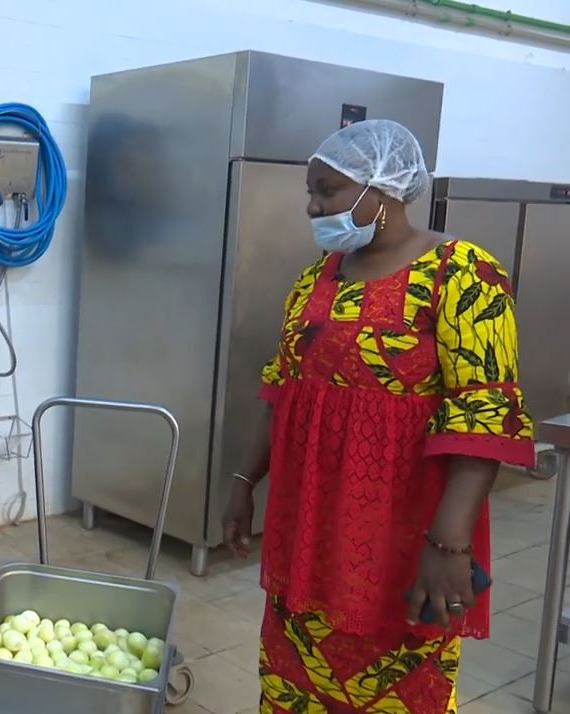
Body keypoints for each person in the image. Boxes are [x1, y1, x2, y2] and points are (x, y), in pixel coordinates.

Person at [222, 119, 534, 713]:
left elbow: (484, 418)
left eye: (327, 190)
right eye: (310, 192)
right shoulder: (315, 280)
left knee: (395, 687)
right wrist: (243, 483)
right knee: (295, 679)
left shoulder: (461, 275)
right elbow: (282, 387)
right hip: (306, 527)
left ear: (382, 189)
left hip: (402, 531)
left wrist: (449, 548)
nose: (313, 206)